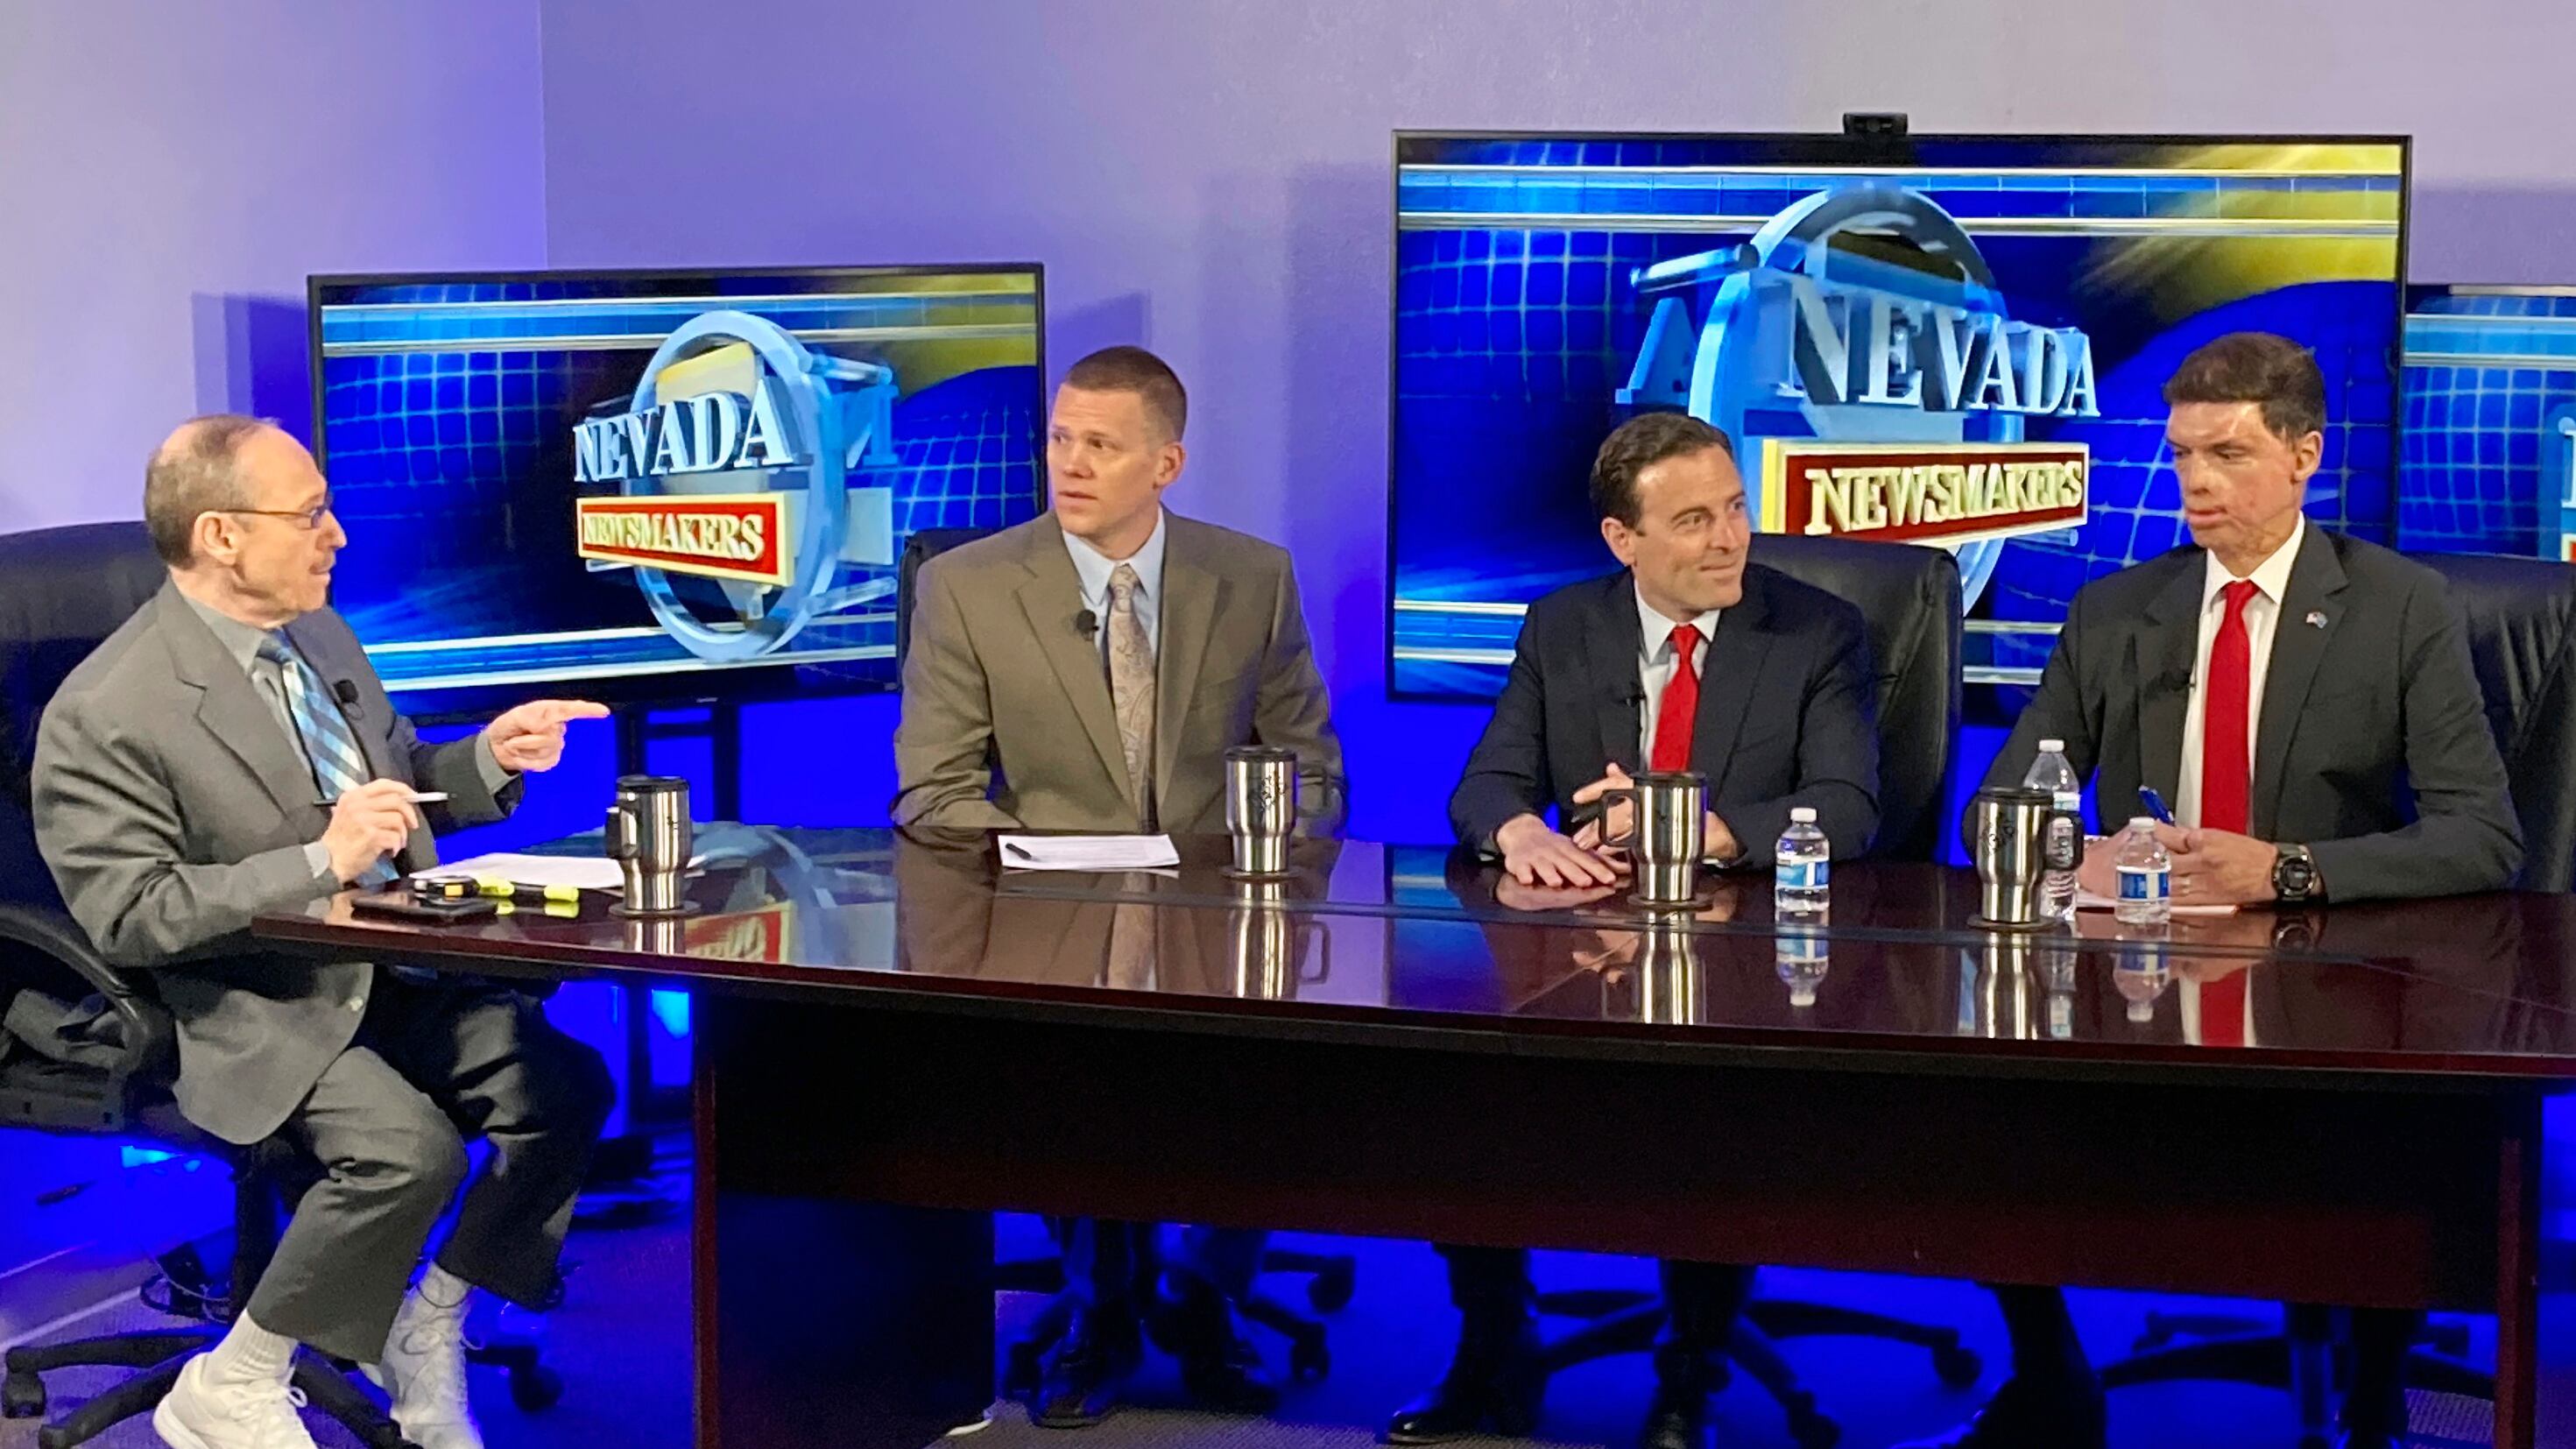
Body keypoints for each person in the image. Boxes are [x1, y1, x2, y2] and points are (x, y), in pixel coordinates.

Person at [1920, 332, 2524, 1449]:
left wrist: (2287, 869)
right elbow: (1992, 809)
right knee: (1969, 1109)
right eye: (2183, 454)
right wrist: (2069, 852)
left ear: (2304, 455)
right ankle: (2052, 1375)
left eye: (2228, 454)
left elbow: (2483, 835)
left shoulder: (2400, 606)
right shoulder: (2117, 610)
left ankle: (2373, 1400)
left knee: (2390, 1143)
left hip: (2328, 981)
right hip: (2134, 978)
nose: (2195, 481)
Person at [32, 416, 616, 1449]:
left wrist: (487, 757)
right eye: (309, 514)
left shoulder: (320, 637)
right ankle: (236, 1380)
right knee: (408, 1155)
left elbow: (393, 788)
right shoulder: (107, 709)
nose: (335, 534)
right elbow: (132, 910)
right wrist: (319, 861)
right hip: (255, 995)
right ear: (221, 535)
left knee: (562, 1088)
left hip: (394, 961)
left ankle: (428, 1322)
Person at [893, 345, 1346, 1427]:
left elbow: (1312, 770)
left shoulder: (1251, 577)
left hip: (1220, 915)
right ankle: (1099, 1311)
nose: (1071, 463)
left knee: (1272, 1059)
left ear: (1167, 463)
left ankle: (1206, 1294)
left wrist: (1264, 867)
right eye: (1061, 438)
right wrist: (1057, 865)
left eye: (1101, 444)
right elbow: (932, 793)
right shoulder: (966, 585)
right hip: (1048, 920)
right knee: (1075, 1062)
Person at [1412, 412, 1880, 1449]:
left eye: (1735, 509)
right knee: (1458, 1086)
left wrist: (1691, 827)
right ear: (1623, 540)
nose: (1730, 538)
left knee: (1707, 1114)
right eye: (1695, 519)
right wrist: (1523, 830)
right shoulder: (1561, 626)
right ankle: (1493, 1341)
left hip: (1749, 965)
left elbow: (1849, 805)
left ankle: (1690, 1370)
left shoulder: (1817, 629)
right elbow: (1485, 784)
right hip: (1585, 960)